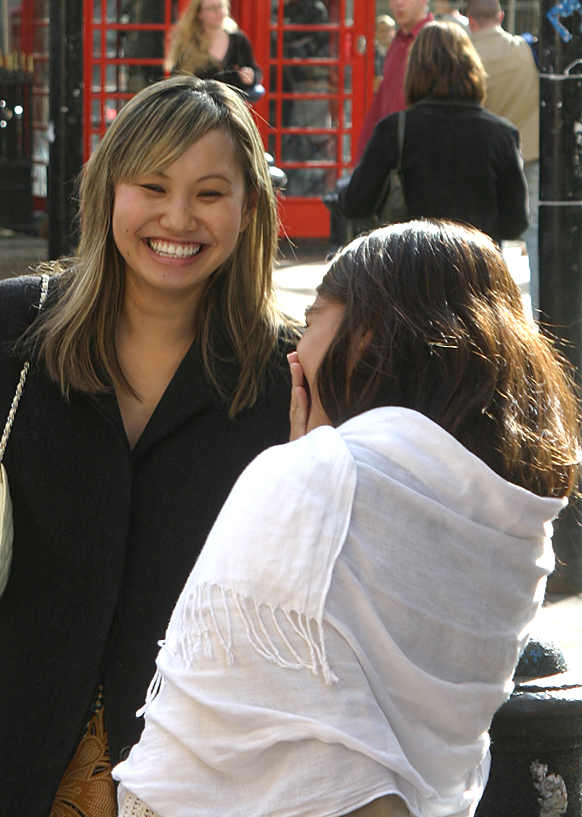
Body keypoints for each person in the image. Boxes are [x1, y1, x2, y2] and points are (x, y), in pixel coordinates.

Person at [0, 75, 298, 817]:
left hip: (206, 767)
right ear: (108, 191)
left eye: (209, 193)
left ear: (249, 208)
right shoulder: (10, 329)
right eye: (152, 186)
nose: (178, 217)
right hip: (20, 750)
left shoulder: (284, 375)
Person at [113, 219, 580, 817]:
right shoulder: (513, 521)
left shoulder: (314, 479)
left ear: (366, 338)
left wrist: (308, 457)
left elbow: (202, 734)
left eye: (310, 323)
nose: (296, 352)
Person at [339, 21, 529, 245]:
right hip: (478, 268)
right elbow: (515, 224)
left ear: (415, 70)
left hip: (410, 266)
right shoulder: (502, 134)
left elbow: (355, 205)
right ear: (472, 68)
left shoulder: (394, 130)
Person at [468, 0, 540, 313]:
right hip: (531, 152)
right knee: (534, 235)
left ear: (470, 20)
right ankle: (541, 310)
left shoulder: (466, 56)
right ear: (500, 16)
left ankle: (489, 311)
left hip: (483, 160)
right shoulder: (527, 50)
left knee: (483, 238)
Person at [354, 0, 434, 161]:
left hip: (418, 153)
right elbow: (382, 102)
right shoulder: (397, 41)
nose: (399, 1)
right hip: (390, 150)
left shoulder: (434, 40)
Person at [165, 0, 262, 97]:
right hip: (200, 110)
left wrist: (251, 76)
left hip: (233, 108)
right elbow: (176, 82)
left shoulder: (239, 41)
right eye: (211, 8)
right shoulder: (189, 44)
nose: (218, 11)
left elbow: (255, 71)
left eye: (221, 6)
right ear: (199, 14)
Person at [373, 14, 396, 92]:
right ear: (375, 32)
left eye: (387, 30)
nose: (384, 33)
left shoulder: (398, 51)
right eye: (381, 30)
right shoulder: (370, 51)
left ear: (393, 32)